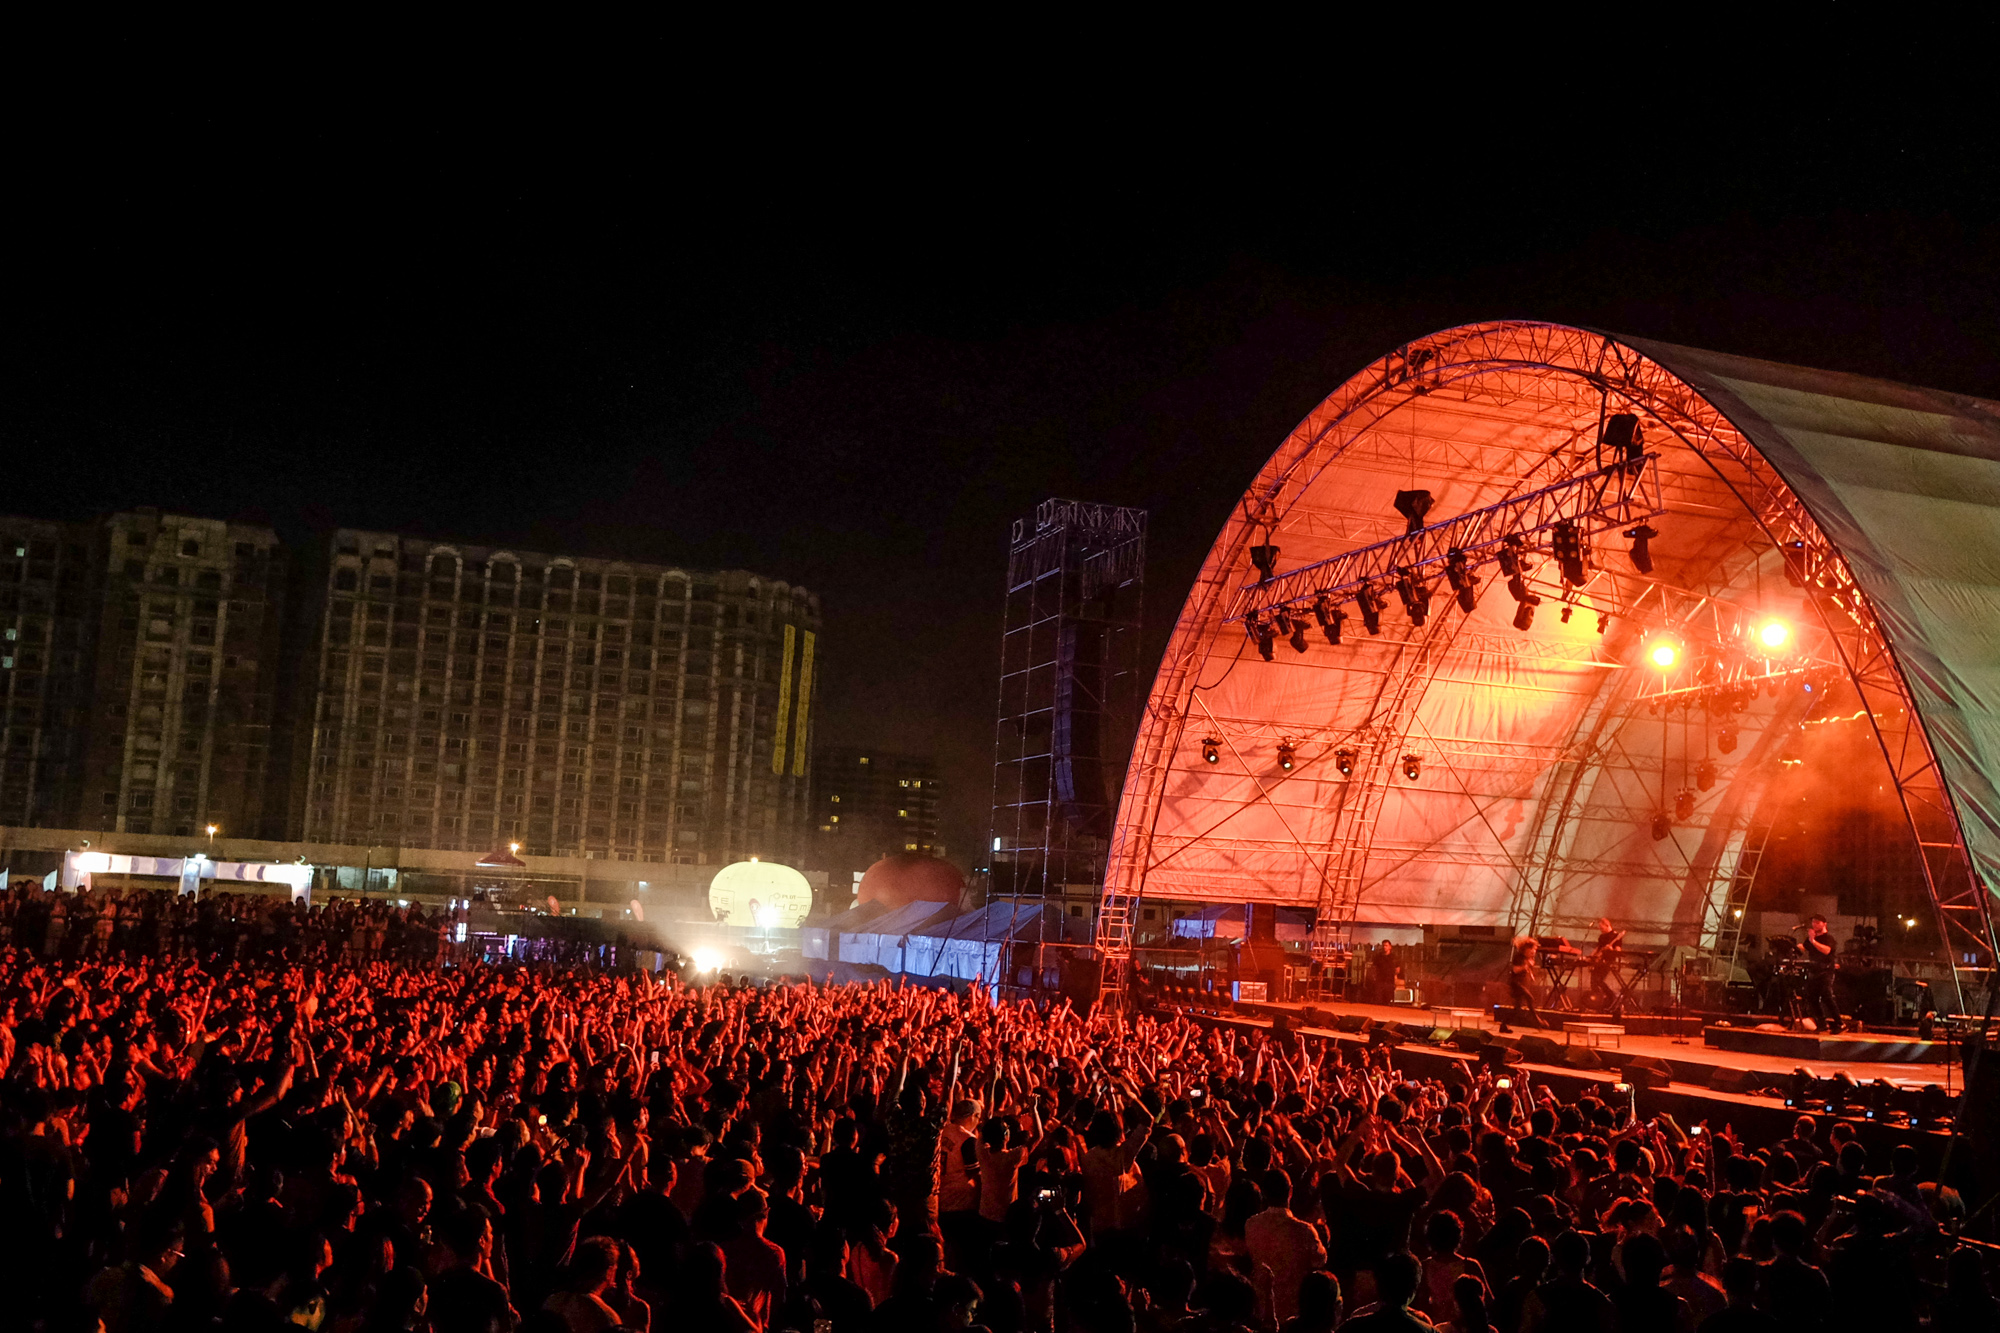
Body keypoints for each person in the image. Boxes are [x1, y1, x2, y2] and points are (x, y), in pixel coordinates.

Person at [1244, 1168, 1326, 1325]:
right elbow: (1320, 1261)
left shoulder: (1251, 1225)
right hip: (1294, 1312)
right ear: (1290, 1192)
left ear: (1264, 1194)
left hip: (1261, 1309)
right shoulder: (1305, 1230)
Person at [1799, 915, 1843, 1034]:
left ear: (1824, 924)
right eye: (1813, 922)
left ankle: (1839, 1023)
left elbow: (1826, 950)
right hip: (1814, 971)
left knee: (1826, 996)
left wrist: (1813, 941)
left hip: (1826, 971)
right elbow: (1804, 947)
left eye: (1817, 922)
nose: (1814, 924)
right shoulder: (1811, 939)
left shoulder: (1828, 938)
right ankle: (1822, 1024)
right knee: (1812, 997)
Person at [1587, 918, 1626, 1013]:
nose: (1601, 930)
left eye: (1602, 928)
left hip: (1608, 961)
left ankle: (1612, 997)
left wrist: (1611, 949)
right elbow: (1598, 948)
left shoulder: (1616, 936)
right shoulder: (1602, 936)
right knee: (1593, 983)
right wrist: (1591, 957)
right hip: (1599, 961)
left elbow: (1618, 951)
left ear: (1607, 925)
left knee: (1599, 981)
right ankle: (1597, 1004)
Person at [1505, 937, 1545, 1031]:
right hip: (1516, 983)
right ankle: (1538, 1021)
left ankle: (1503, 1024)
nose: (1533, 952)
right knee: (1530, 998)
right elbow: (1515, 970)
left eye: (1535, 950)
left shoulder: (1528, 958)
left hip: (1522, 983)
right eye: (1532, 949)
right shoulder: (1518, 957)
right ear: (1525, 949)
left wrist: (1531, 975)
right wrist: (1526, 966)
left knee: (1517, 1009)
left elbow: (1527, 969)